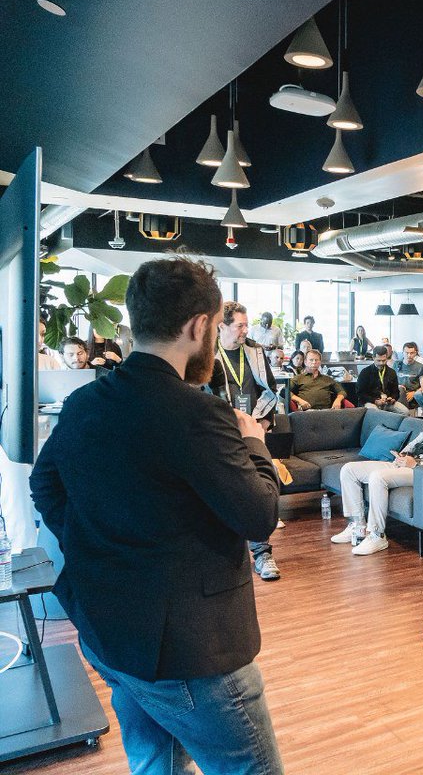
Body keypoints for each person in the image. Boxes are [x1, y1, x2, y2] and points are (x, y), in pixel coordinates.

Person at [30, 256, 284, 774]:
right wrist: (254, 443)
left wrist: (97, 543)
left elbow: (45, 485)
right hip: (192, 651)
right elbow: (259, 516)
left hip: (107, 632)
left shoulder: (83, 404)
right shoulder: (198, 414)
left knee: (156, 765)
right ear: (199, 327)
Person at [334, 380, 423, 555]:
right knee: (349, 470)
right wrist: (403, 454)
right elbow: (418, 441)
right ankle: (358, 526)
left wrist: (416, 464)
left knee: (378, 477)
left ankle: (377, 535)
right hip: (405, 463)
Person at [206, 301, 281, 579]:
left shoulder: (255, 351)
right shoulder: (207, 354)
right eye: (240, 325)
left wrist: (260, 423)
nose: (245, 330)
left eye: (246, 324)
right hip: (219, 430)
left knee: (254, 491)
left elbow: (271, 389)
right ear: (222, 326)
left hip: (252, 429)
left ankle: (263, 555)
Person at [357, 345, 407, 414]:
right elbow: (360, 393)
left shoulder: (392, 372)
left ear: (387, 358)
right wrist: (375, 401)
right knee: (376, 413)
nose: (381, 363)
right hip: (371, 402)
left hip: (387, 403)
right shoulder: (365, 372)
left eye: (384, 360)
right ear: (373, 358)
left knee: (405, 412)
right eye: (378, 360)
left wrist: (392, 399)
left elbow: (396, 392)